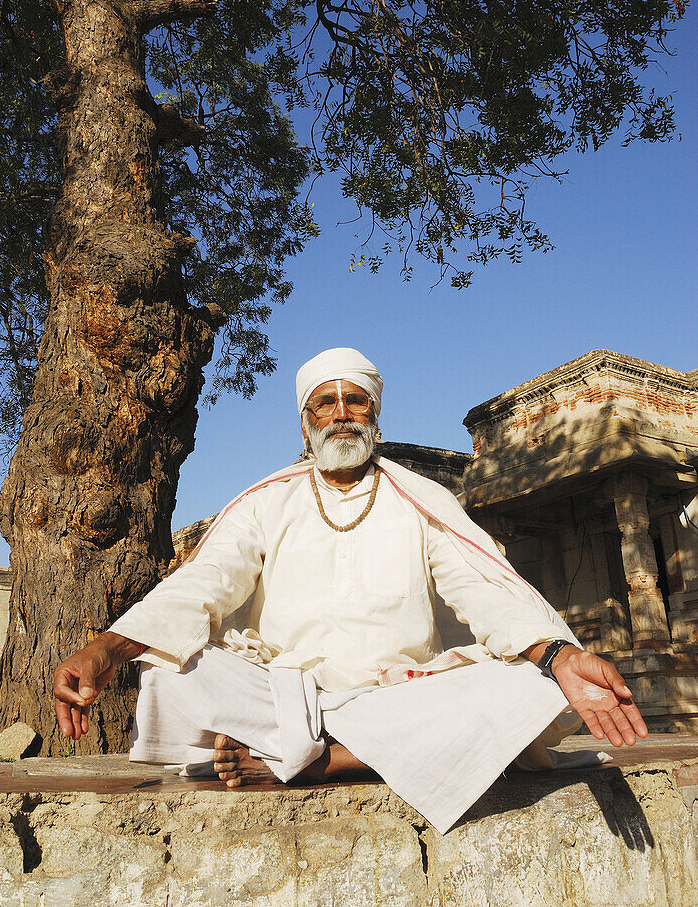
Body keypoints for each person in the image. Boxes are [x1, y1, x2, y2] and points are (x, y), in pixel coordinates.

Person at [54, 347, 647, 833]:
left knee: (535, 686)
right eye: (325, 402)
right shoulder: (266, 500)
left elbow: (482, 589)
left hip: (400, 698)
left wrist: (559, 655)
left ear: (374, 414)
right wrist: (109, 646)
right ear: (306, 421)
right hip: (286, 696)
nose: (342, 412)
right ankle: (323, 746)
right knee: (171, 669)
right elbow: (203, 583)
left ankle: (320, 761)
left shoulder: (421, 499)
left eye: (355, 400)